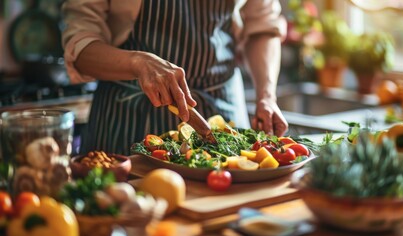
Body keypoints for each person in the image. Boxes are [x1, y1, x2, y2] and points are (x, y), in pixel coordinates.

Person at [62, 0, 289, 155]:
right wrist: (137, 62)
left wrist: (267, 96)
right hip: (127, 118)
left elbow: (263, 26)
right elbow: (80, 46)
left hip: (222, 109)